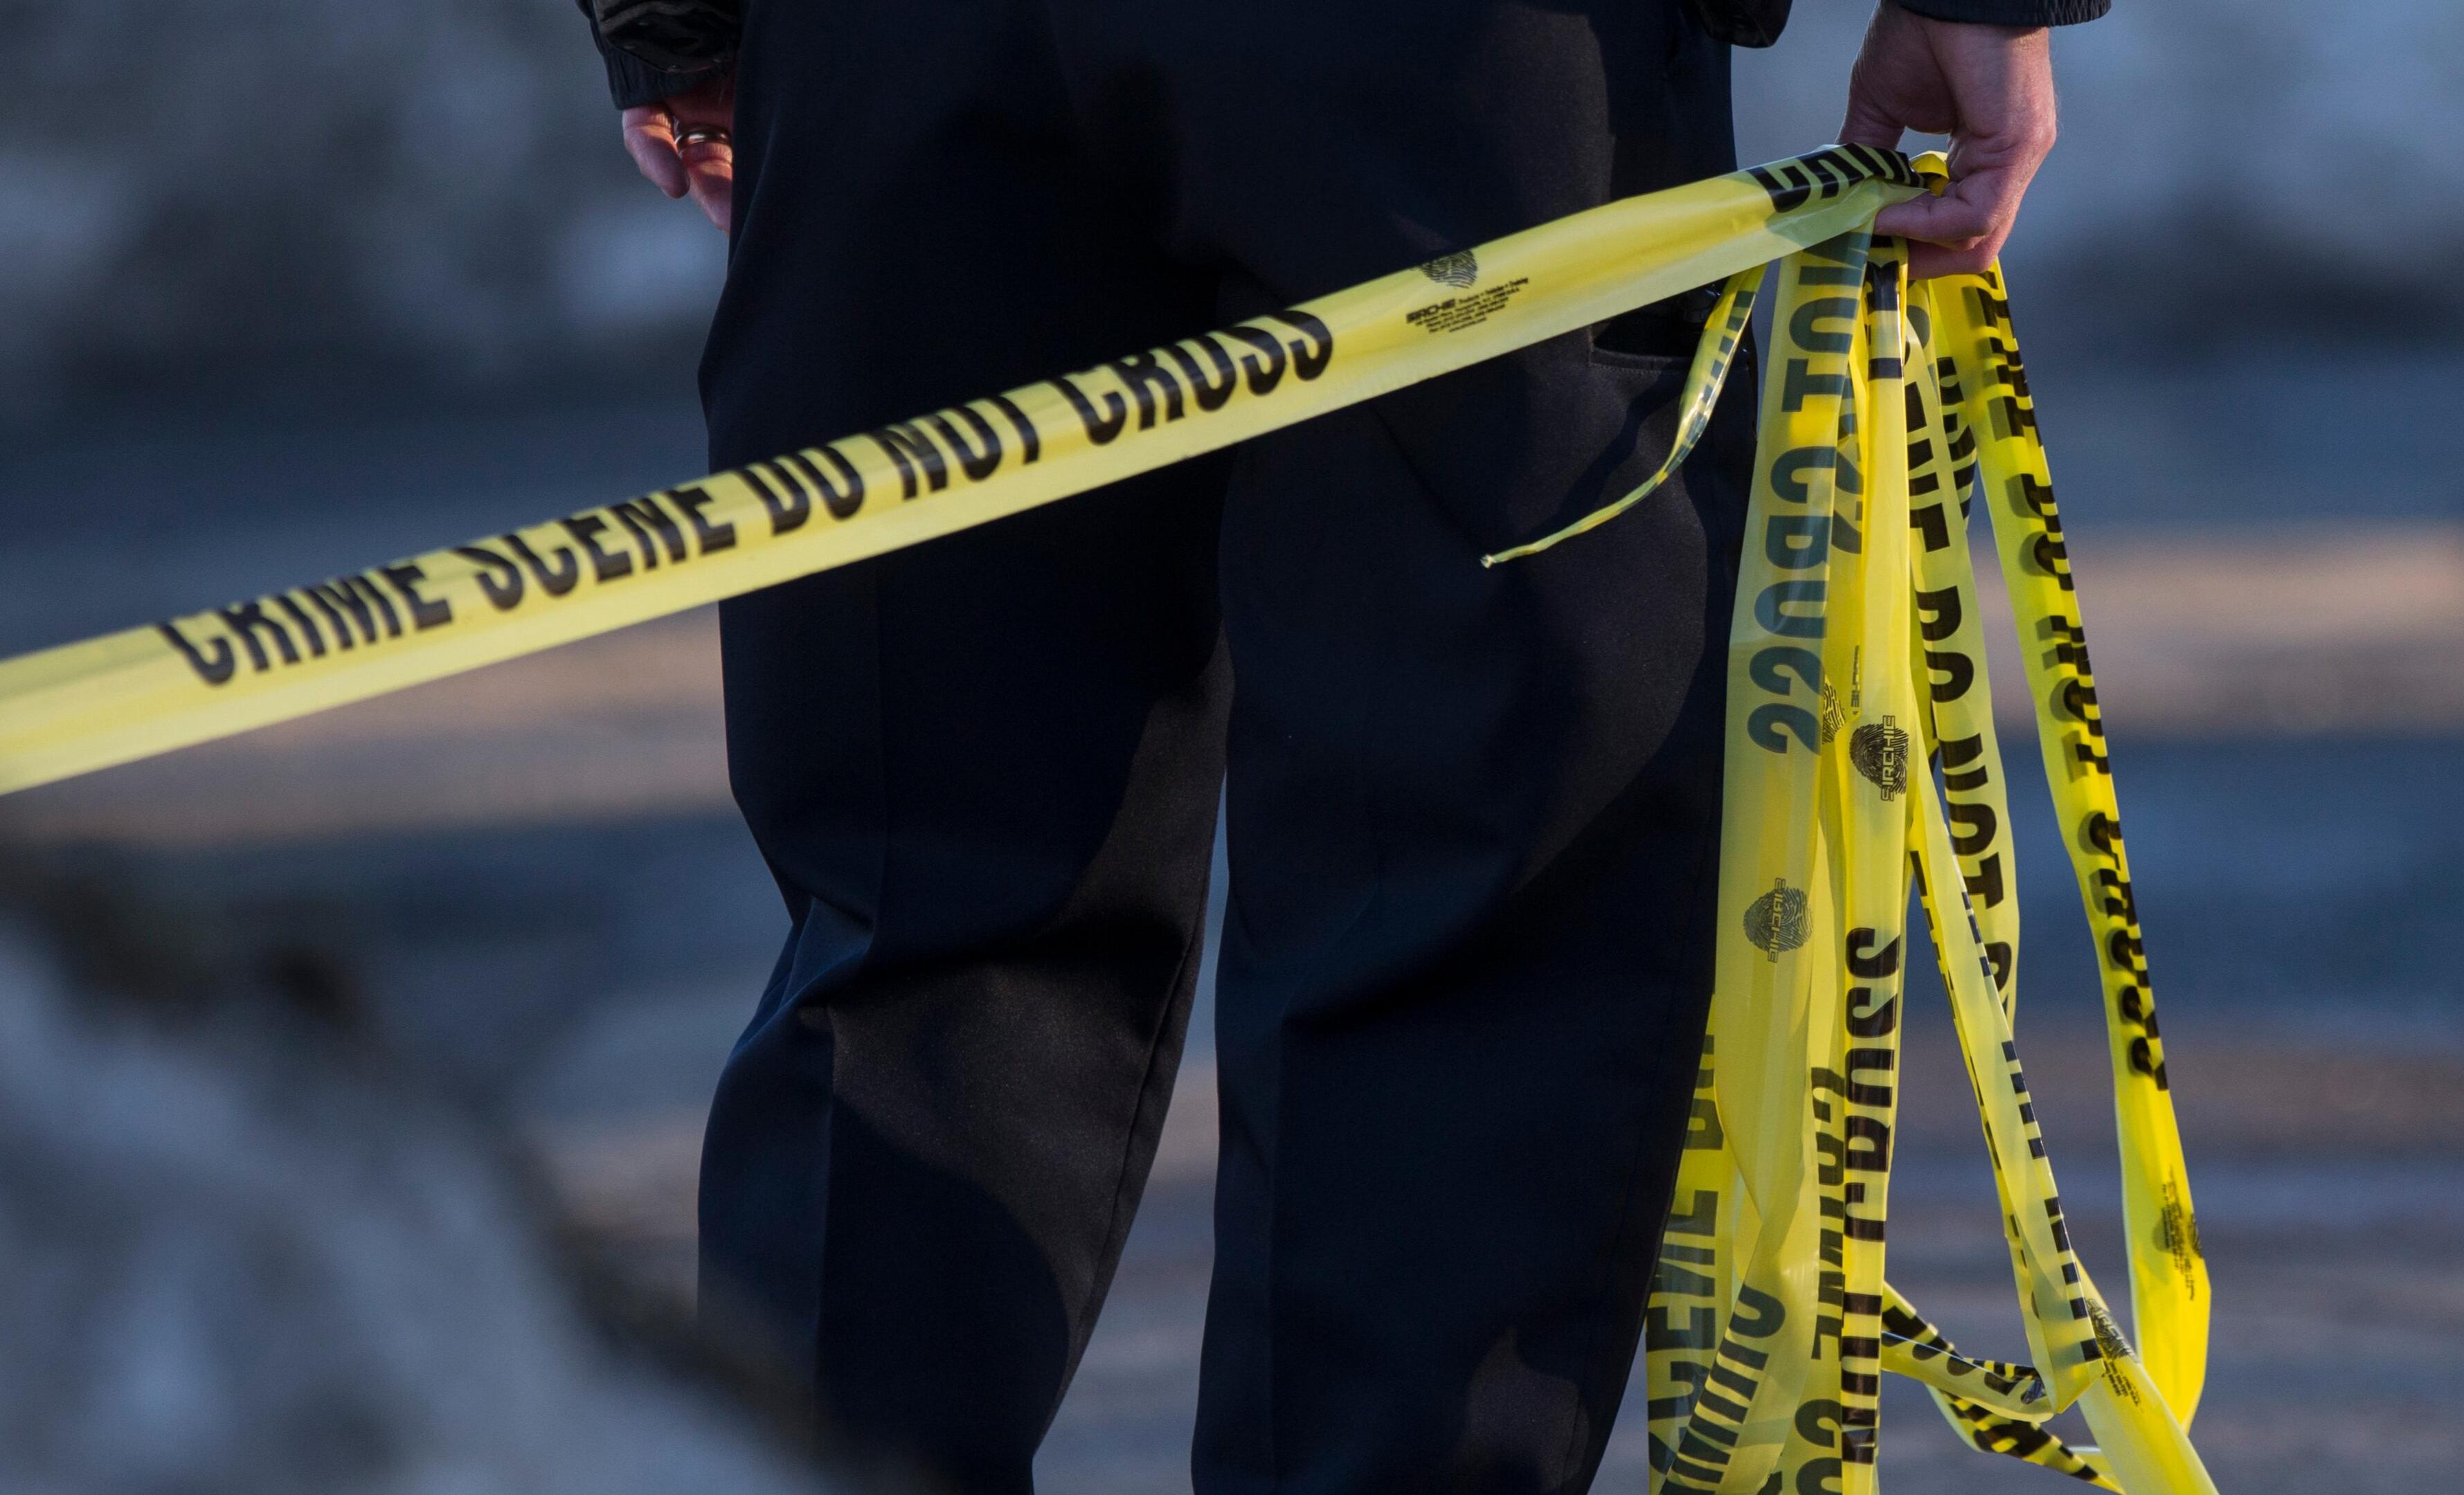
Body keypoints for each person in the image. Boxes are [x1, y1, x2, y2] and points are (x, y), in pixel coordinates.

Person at [573, 1, 2096, 1491]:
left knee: (917, 908)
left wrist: (675, 18)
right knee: (1453, 910)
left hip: (903, 44)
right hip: (1451, 56)